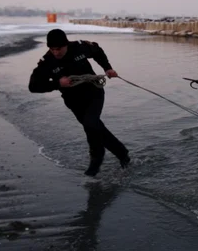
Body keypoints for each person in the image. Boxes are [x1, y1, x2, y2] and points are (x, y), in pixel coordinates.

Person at [28, 29, 130, 177]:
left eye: (59, 48)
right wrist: (57, 83)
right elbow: (33, 86)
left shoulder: (80, 47)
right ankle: (122, 154)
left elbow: (97, 51)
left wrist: (107, 68)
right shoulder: (47, 62)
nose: (56, 52)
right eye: (52, 49)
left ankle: (97, 158)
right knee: (95, 127)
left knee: (90, 123)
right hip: (73, 100)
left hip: (94, 91)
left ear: (66, 44)